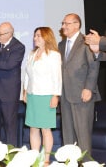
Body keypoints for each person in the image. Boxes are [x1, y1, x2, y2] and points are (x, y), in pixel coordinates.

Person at [59, 13, 100, 157]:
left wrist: (88, 88)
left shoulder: (87, 41)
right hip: (65, 96)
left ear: (77, 25)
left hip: (82, 95)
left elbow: (94, 66)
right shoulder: (61, 44)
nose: (63, 26)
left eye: (66, 23)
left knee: (83, 138)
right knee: (68, 137)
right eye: (63, 23)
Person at [23, 27, 62, 166]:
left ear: (47, 37)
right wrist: (25, 91)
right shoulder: (32, 54)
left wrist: (55, 95)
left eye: (38, 36)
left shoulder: (53, 55)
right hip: (32, 95)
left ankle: (45, 159)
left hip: (46, 95)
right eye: (34, 36)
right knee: (33, 128)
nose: (35, 38)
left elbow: (57, 77)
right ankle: (35, 157)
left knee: (45, 129)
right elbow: (27, 75)